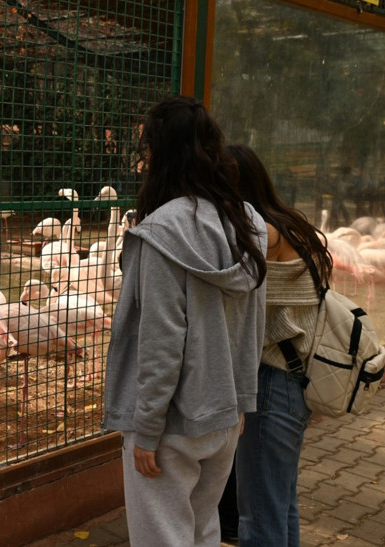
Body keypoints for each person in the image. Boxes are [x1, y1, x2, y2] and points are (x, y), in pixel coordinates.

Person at [103, 96, 268, 546]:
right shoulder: (249, 224)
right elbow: (252, 322)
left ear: (159, 154)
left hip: (171, 426)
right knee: (202, 531)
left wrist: (147, 430)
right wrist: (240, 402)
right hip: (224, 417)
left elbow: (160, 343)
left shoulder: (159, 234)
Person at [230, 143, 332, 546]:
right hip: (294, 381)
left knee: (259, 516)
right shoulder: (290, 225)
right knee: (280, 503)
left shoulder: (264, 235)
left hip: (271, 384)